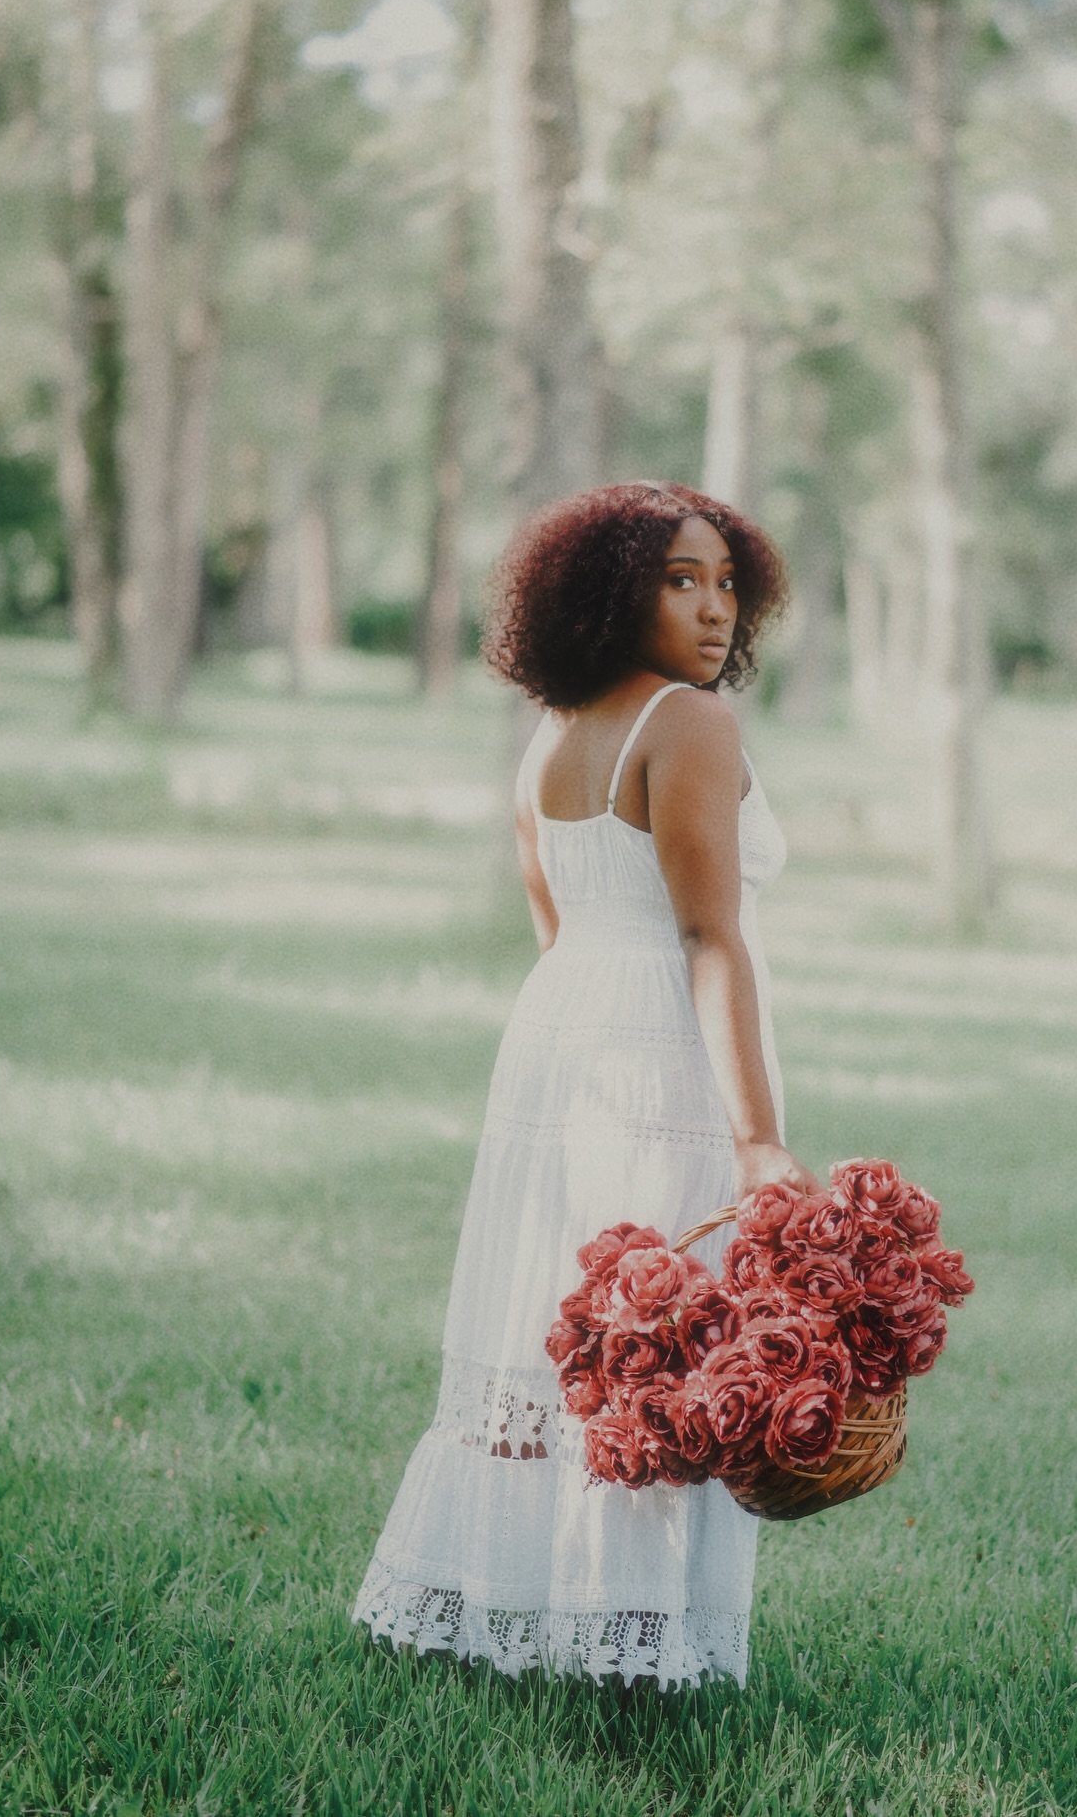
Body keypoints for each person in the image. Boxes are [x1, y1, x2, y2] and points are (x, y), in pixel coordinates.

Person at [352, 480, 818, 1689]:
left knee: (572, 1331)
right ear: (615, 592)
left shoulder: (549, 735)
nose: (714, 608)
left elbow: (555, 923)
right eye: (680, 578)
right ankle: (631, 1638)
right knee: (667, 1340)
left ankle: (529, 1610)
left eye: (725, 579)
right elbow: (707, 937)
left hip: (560, 1039)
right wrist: (759, 1139)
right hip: (661, 1044)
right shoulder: (690, 726)